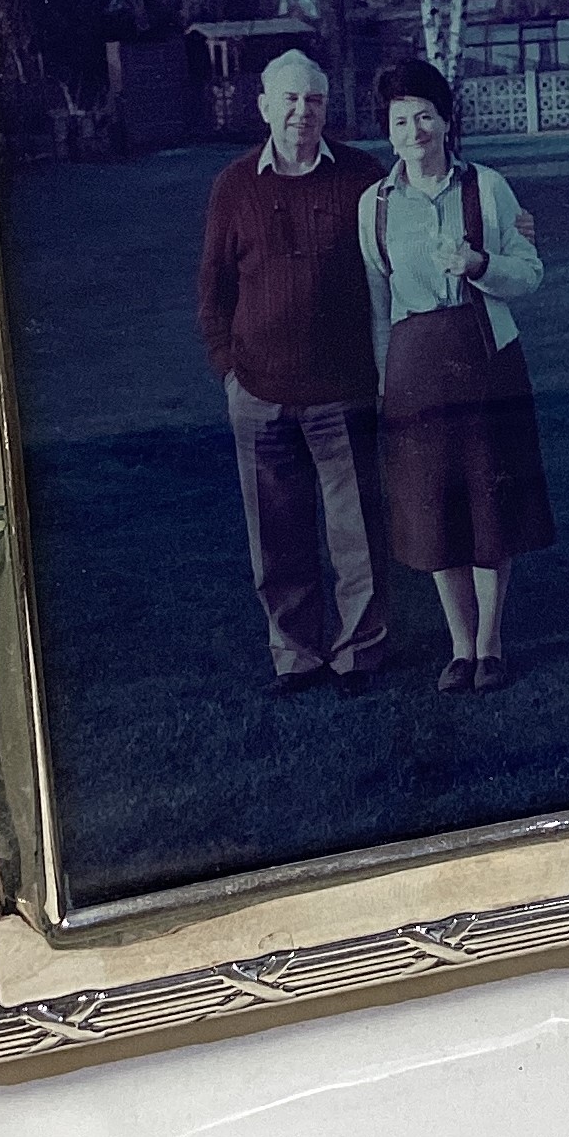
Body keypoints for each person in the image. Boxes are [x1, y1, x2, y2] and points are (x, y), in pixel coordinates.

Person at [359, 58, 554, 695]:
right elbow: (377, 299)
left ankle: (492, 644)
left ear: (445, 122)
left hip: (485, 359)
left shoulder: (487, 188)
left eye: (424, 116)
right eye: (400, 120)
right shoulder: (376, 206)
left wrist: (480, 263)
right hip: (415, 369)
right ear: (387, 132)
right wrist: (386, 379)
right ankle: (458, 646)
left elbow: (529, 273)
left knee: (490, 505)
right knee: (431, 508)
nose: (414, 130)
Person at [198, 50, 388, 696]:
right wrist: (229, 372)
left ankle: (358, 651)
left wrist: (508, 225)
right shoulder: (234, 186)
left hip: (343, 390)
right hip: (259, 392)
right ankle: (295, 654)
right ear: (264, 106)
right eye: (289, 99)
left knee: (355, 532)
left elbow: (414, 231)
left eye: (313, 101)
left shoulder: (363, 175)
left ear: (326, 108)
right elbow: (213, 290)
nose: (301, 112)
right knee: (276, 538)